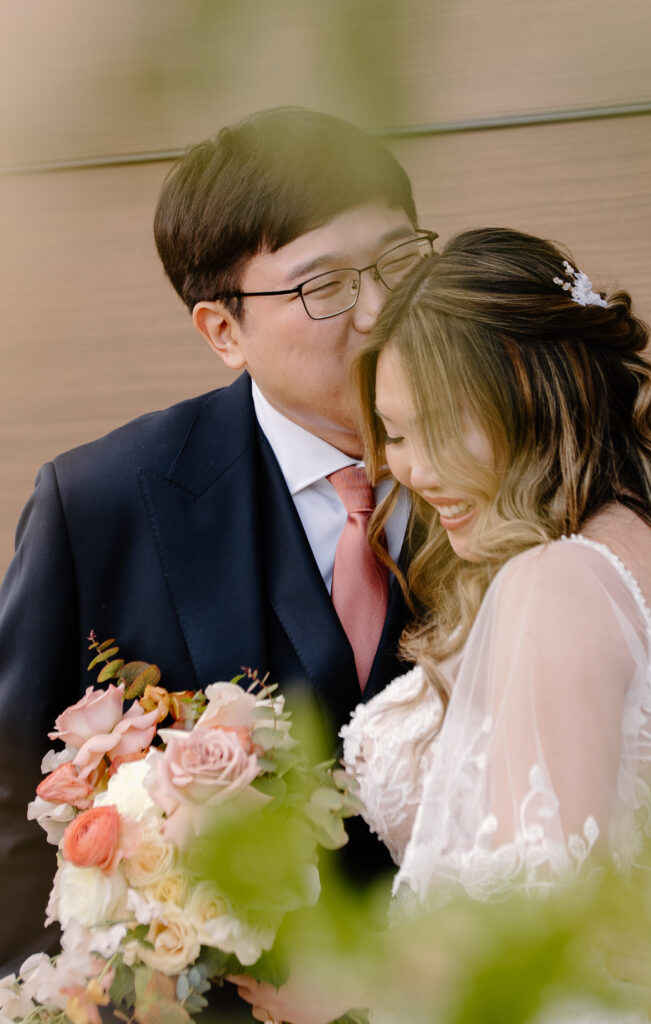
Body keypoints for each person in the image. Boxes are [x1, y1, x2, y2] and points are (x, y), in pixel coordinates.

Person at [0, 107, 436, 975]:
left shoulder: (530, 465)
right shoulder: (101, 503)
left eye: (398, 261)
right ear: (223, 332)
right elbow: (12, 804)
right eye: (325, 286)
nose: (382, 310)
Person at [235, 228, 651, 1022]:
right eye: (396, 436)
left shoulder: (555, 584)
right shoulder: (649, 542)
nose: (411, 470)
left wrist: (346, 994)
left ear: (529, 391)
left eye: (438, 428)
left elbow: (534, 932)